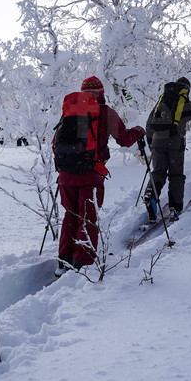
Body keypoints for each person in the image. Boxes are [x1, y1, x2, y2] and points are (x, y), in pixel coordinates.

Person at [55, 76, 144, 272]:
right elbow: (124, 140)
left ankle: (65, 258)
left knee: (71, 216)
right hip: (90, 174)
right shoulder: (106, 113)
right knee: (88, 218)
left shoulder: (69, 112)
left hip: (65, 175)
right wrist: (138, 131)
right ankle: (83, 262)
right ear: (102, 93)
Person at [144, 77, 191, 221]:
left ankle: (150, 195)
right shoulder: (187, 104)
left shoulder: (162, 101)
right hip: (175, 142)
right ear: (187, 89)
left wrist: (151, 142)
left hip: (157, 141)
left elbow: (149, 122)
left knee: (158, 172)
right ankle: (175, 208)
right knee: (176, 175)